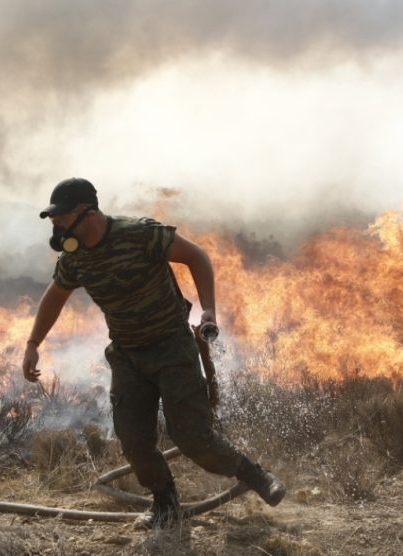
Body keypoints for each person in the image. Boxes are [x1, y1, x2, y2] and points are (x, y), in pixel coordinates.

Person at [21, 177, 286, 529]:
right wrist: (32, 344)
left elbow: (196, 256)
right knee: (133, 440)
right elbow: (55, 296)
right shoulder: (75, 259)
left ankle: (254, 474)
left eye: (61, 216)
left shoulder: (139, 234)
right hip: (128, 355)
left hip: (171, 345)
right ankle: (165, 502)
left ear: (87, 214)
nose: (56, 224)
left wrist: (208, 310)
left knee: (193, 438)